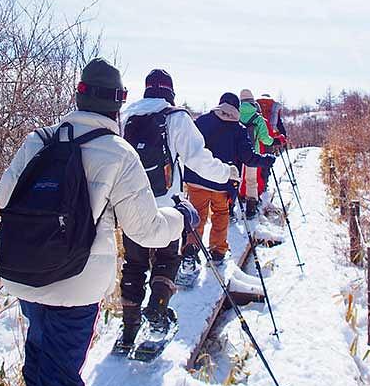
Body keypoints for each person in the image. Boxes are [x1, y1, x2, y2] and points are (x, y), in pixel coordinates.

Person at [0, 58, 200, 386]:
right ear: (118, 101)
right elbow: (147, 231)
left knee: (40, 366)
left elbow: (2, 197)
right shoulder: (119, 153)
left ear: (79, 95)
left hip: (26, 275)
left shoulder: (39, 140)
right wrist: (181, 216)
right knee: (60, 380)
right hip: (77, 286)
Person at [116, 69, 238, 350]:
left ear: (146, 89)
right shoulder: (175, 118)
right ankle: (157, 315)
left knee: (133, 265)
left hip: (130, 206)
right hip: (166, 206)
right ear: (170, 91)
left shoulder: (128, 117)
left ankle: (129, 328)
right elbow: (198, 158)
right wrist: (226, 173)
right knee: (166, 259)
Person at [179, 92, 276, 282]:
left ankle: (189, 255)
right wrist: (267, 161)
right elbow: (248, 157)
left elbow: (188, 148)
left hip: (196, 179)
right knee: (221, 215)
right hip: (222, 182)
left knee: (196, 217)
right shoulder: (238, 129)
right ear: (236, 109)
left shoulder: (202, 121)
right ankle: (217, 252)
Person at [237, 89, 281, 218]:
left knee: (235, 180)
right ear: (252, 101)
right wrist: (275, 140)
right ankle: (251, 208)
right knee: (251, 181)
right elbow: (265, 140)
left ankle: (230, 207)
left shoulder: (234, 115)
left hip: (236, 154)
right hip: (252, 153)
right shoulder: (258, 118)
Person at [256, 93, 288, 187]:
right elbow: (278, 123)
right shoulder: (274, 106)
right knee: (267, 160)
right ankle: (264, 183)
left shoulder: (256, 104)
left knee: (255, 161)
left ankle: (256, 185)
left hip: (256, 137)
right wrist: (283, 136)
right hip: (269, 138)